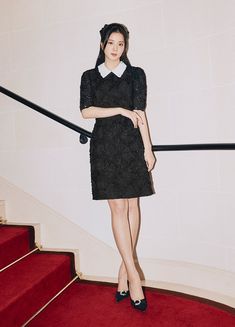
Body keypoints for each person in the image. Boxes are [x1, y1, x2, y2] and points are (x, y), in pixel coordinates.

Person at [79, 22, 156, 311]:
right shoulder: (90, 77)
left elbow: (140, 112)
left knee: (134, 206)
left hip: (131, 145)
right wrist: (119, 110)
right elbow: (86, 111)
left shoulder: (136, 74)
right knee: (118, 209)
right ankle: (134, 275)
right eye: (111, 43)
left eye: (120, 44)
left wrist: (148, 149)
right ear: (102, 45)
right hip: (105, 146)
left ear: (125, 47)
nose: (115, 48)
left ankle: (124, 272)